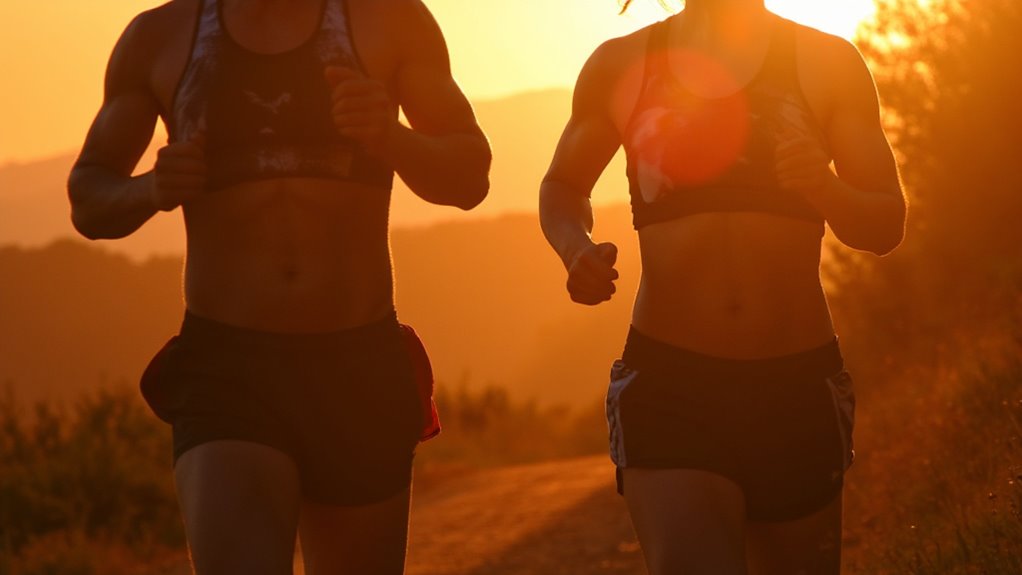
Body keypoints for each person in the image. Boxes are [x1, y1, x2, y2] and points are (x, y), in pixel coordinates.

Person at [67, 0, 490, 572]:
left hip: (357, 365)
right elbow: (90, 197)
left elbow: (470, 176)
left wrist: (390, 136)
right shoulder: (160, 37)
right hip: (228, 370)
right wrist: (150, 190)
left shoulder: (390, 21)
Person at [539, 0, 905, 573]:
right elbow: (562, 186)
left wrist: (824, 187)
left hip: (796, 386)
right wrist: (574, 250)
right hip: (670, 388)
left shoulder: (826, 62)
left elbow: (885, 225)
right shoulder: (621, 64)